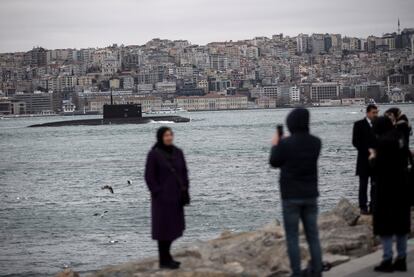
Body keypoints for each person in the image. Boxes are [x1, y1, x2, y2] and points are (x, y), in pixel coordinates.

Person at [269, 108, 323, 277]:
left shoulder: (285, 144)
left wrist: (276, 144)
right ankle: (317, 270)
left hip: (290, 196)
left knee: (292, 237)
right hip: (310, 195)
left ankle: (297, 272)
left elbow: (274, 162)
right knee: (313, 236)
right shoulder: (316, 142)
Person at [145, 126, 190, 269]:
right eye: (166, 135)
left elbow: (184, 172)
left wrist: (185, 190)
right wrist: (158, 192)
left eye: (170, 135)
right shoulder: (154, 154)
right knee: (163, 230)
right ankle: (164, 259)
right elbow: (149, 176)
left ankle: (167, 256)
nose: (169, 137)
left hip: (176, 197)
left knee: (174, 228)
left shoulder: (178, 152)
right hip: (162, 200)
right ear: (160, 137)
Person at [370, 116, 411, 273]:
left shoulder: (382, 143)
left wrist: (372, 157)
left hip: (386, 188)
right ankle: (401, 259)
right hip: (402, 185)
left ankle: (387, 259)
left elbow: (376, 168)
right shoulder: (400, 138)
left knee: (385, 225)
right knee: (401, 225)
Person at [352, 104, 378, 214]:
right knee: (363, 185)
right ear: (367, 113)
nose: (376, 115)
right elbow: (355, 142)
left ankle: (373, 207)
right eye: (374, 112)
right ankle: (363, 207)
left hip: (376, 160)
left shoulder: (379, 124)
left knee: (375, 185)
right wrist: (368, 150)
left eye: (377, 112)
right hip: (363, 159)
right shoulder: (358, 125)